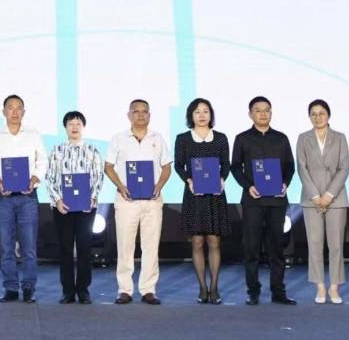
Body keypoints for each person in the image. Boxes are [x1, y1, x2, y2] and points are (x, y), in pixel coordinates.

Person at [103, 99, 172, 305]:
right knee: (125, 245)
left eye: (144, 111)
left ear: (149, 115)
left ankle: (148, 289)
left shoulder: (158, 138)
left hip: (152, 200)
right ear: (129, 115)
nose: (140, 115)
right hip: (127, 200)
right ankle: (124, 289)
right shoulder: (118, 139)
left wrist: (159, 185)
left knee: (151, 246)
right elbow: (108, 166)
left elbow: (166, 167)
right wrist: (120, 186)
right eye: (136, 111)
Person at [230, 96, 297, 306]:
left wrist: (285, 183)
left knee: (277, 247)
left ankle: (278, 291)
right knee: (251, 248)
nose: (263, 113)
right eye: (258, 110)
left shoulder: (281, 138)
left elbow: (290, 166)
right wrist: (248, 186)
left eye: (266, 109)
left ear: (271, 112)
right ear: (250, 114)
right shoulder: (242, 138)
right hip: (253, 201)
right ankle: (253, 291)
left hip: (277, 201)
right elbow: (235, 167)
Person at [0, 94, 48, 303]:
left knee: (29, 247)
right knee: (6, 246)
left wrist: (35, 178)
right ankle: (10, 288)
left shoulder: (33, 134)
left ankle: (29, 288)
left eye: (18, 107)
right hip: (4, 197)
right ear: (4, 112)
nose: (14, 111)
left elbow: (42, 161)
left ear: (24, 112)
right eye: (10, 107)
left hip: (28, 196)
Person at [173, 98, 231, 305]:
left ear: (211, 114)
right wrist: (188, 180)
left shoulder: (220, 138)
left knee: (214, 241)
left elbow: (226, 164)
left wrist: (222, 179)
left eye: (206, 111)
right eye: (197, 112)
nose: (202, 115)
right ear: (191, 115)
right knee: (197, 242)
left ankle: (214, 288)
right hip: (194, 195)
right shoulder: (183, 139)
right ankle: (202, 288)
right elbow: (178, 165)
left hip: (214, 195)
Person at [44, 110, 104, 305]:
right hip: (63, 207)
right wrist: (57, 200)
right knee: (65, 249)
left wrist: (92, 198)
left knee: (85, 248)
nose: (75, 127)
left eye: (78, 123)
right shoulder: (57, 150)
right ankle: (68, 291)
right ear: (65, 127)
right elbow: (49, 178)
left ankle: (83, 291)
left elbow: (98, 176)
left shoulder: (93, 150)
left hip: (86, 207)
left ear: (83, 126)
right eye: (71, 123)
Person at [297, 98, 349, 305]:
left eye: (322, 113)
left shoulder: (340, 137)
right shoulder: (303, 138)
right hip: (311, 199)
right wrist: (315, 196)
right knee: (315, 244)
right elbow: (302, 168)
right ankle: (319, 285)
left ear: (328, 115)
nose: (318, 117)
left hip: (336, 199)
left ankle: (334, 286)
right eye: (314, 114)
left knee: (336, 246)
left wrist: (329, 194)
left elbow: (344, 168)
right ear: (309, 117)